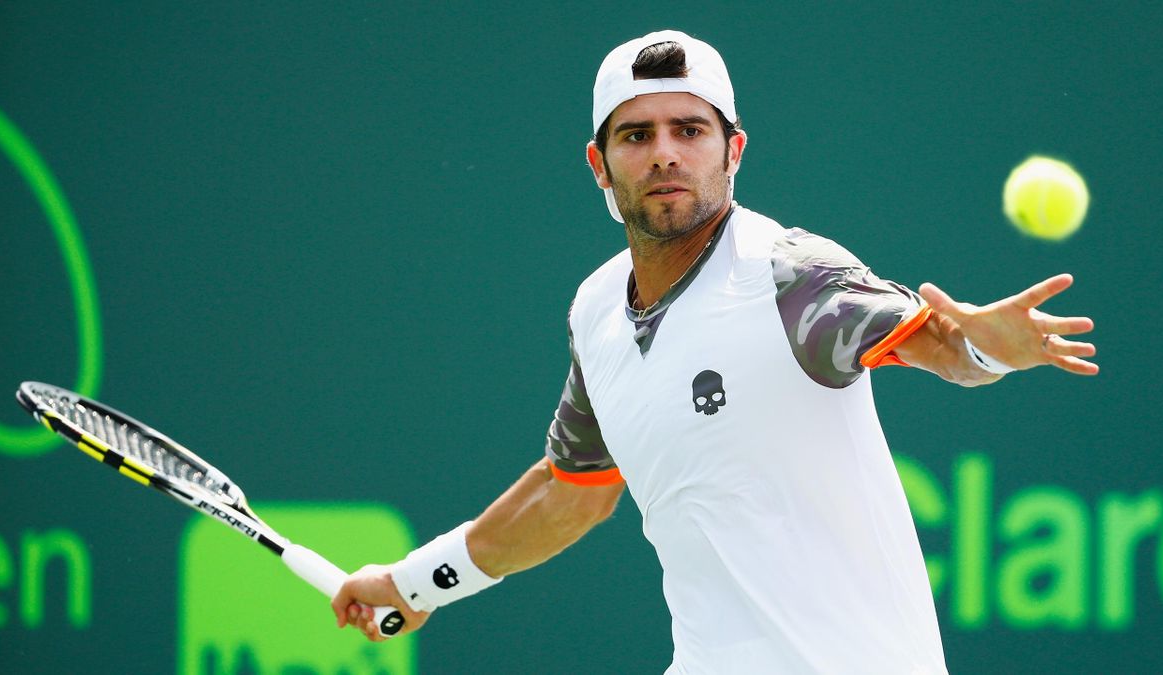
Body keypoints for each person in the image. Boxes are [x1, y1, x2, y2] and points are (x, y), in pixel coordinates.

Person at [330, 30, 1098, 673]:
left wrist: (987, 349)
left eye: (689, 131)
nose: (665, 153)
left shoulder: (792, 273)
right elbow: (572, 490)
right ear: (599, 163)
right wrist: (416, 582)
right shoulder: (596, 310)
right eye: (637, 135)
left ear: (733, 151)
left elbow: (942, 347)